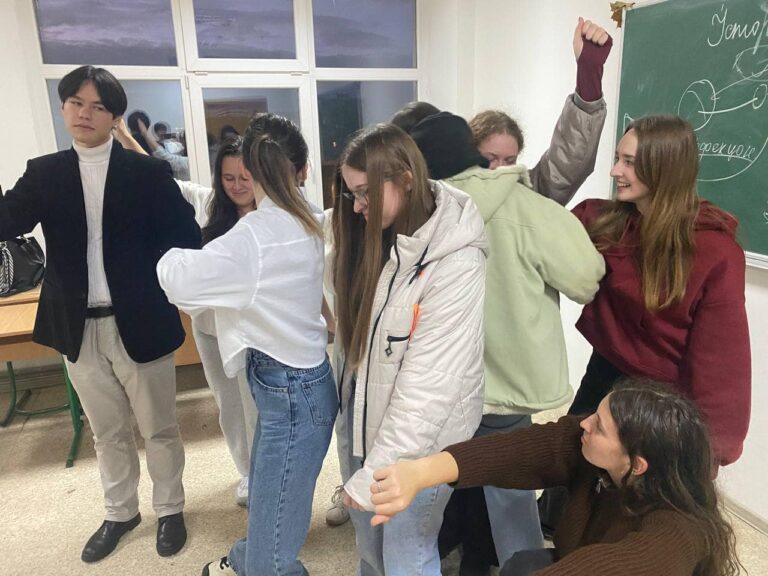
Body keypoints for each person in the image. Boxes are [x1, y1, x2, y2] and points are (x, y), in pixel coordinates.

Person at [0, 65, 201, 562]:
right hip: (77, 325)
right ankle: (120, 512)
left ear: (114, 118)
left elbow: (186, 235)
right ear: (63, 107)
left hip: (141, 319)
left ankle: (170, 508)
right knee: (106, 430)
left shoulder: (147, 172)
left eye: (98, 106)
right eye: (76, 103)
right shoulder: (44, 172)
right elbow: (7, 219)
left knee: (159, 427)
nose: (84, 114)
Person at [539, 114, 753, 535]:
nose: (615, 171)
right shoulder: (608, 222)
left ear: (665, 167)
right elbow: (538, 223)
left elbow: (722, 363)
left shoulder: (714, 252)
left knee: (631, 502)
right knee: (573, 461)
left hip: (659, 396)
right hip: (606, 370)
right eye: (617, 159)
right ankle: (558, 539)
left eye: (630, 162)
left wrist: (708, 451)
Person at [156, 113, 336, 576]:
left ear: (251, 171)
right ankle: (241, 559)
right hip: (303, 384)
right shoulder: (308, 219)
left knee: (273, 546)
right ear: (304, 170)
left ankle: (250, 562)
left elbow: (179, 281)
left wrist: (166, 248)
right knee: (272, 504)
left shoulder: (256, 236)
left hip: (289, 393)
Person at [370, 380, 743, 576]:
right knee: (522, 565)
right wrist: (421, 472)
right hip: (571, 559)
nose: (584, 424)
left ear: (637, 464)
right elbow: (520, 450)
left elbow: (604, 570)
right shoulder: (593, 453)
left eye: (599, 426)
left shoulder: (676, 534)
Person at [332, 123, 488, 575]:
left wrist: (375, 471)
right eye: (351, 194)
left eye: (365, 193)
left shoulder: (457, 262)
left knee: (407, 557)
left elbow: (428, 390)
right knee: (371, 549)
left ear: (405, 178)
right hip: (368, 424)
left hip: (420, 445)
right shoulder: (377, 233)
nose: (357, 206)